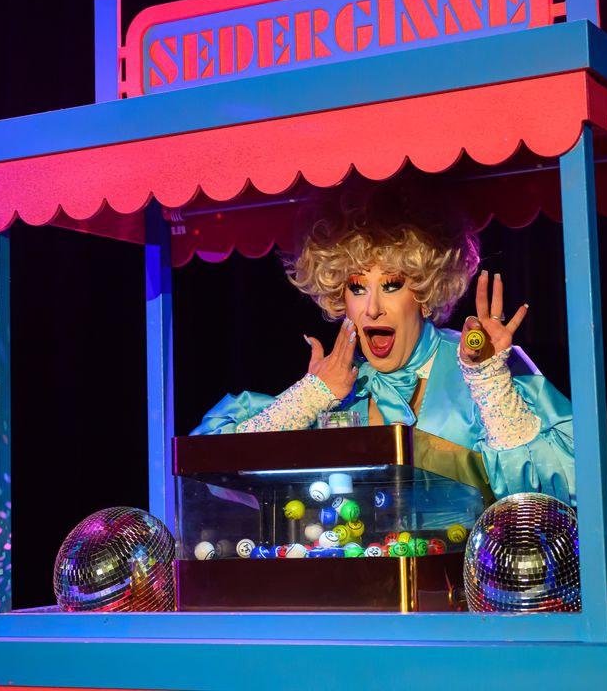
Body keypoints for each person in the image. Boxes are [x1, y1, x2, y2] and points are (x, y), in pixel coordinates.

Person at [191, 179, 575, 504]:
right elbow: (209, 463)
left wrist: (489, 382)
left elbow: (566, 486)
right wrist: (308, 397)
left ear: (425, 289)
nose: (372, 309)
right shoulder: (338, 386)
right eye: (357, 288)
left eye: (391, 285)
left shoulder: (484, 362)